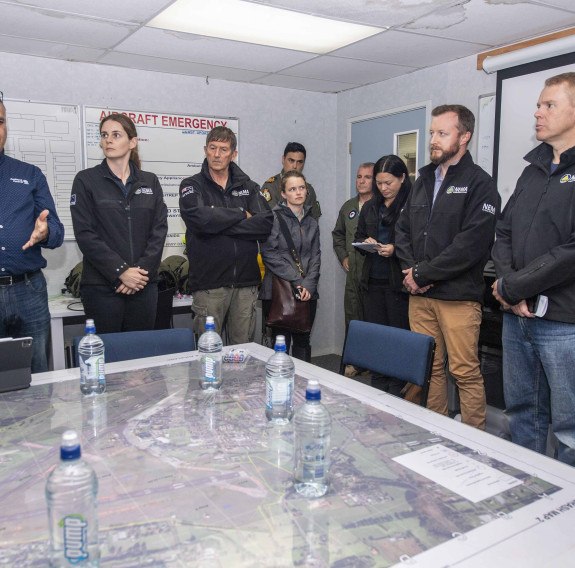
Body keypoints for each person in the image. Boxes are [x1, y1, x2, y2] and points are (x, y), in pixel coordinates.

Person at [395, 104, 499, 430]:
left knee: (464, 371)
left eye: (442, 133)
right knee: (430, 368)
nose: (434, 141)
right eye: (432, 134)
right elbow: (403, 231)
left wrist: (423, 274)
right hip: (420, 294)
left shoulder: (480, 183)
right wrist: (413, 272)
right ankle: (437, 432)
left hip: (457, 296)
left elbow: (471, 245)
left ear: (464, 136)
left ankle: (477, 444)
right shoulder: (423, 178)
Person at [491, 72, 575, 466]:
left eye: (549, 105)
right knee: (522, 413)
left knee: (569, 427)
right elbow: (504, 230)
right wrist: (509, 283)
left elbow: (570, 251)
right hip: (518, 315)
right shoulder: (533, 168)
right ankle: (527, 487)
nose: (537, 113)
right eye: (539, 105)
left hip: (562, 320)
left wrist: (514, 286)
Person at [70, 113, 167, 334]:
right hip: (101, 287)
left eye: (116, 134)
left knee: (139, 360)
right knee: (107, 358)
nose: (108, 140)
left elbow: (159, 231)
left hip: (143, 285)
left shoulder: (149, 181)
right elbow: (85, 234)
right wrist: (121, 272)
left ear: (132, 142)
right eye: (104, 135)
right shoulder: (86, 180)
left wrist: (139, 274)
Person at [179, 126, 273, 343]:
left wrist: (217, 222)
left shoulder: (248, 187)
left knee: (243, 353)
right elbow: (199, 220)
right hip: (209, 285)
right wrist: (241, 213)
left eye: (223, 149)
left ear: (233, 154)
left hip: (245, 284)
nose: (217, 154)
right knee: (208, 353)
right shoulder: (192, 185)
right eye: (212, 148)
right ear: (205, 149)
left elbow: (265, 224)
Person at [0, 93, 64, 372]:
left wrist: (45, 232)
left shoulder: (30, 174)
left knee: (36, 370)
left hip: (29, 290)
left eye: (0, 121)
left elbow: (58, 231)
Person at [354, 155, 412, 395]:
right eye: (379, 183)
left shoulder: (412, 203)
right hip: (372, 281)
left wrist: (395, 249)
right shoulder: (371, 205)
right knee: (377, 336)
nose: (383, 188)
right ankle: (378, 384)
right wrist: (366, 242)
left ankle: (397, 387)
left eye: (389, 183)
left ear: (402, 178)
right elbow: (357, 234)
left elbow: (419, 242)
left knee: (397, 337)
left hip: (399, 283)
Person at [260, 170, 321, 362]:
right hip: (279, 291)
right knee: (280, 344)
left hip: (307, 291)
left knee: (303, 341)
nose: (298, 192)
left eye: (301, 188)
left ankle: (302, 388)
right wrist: (297, 280)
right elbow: (269, 254)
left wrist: (308, 285)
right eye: (292, 189)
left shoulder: (312, 222)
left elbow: (316, 256)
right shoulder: (273, 219)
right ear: (284, 194)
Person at [332, 162, 374, 332]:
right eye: (358, 177)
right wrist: (343, 257)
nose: (361, 181)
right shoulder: (348, 207)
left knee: (372, 321)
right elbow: (338, 234)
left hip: (373, 274)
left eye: (367, 177)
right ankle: (351, 358)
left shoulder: (381, 206)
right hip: (353, 274)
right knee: (352, 319)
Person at [261, 142, 321, 220]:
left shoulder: (309, 189)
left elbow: (314, 221)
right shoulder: (271, 186)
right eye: (291, 160)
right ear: (283, 159)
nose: (295, 166)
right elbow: (271, 219)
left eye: (299, 162)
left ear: (304, 163)